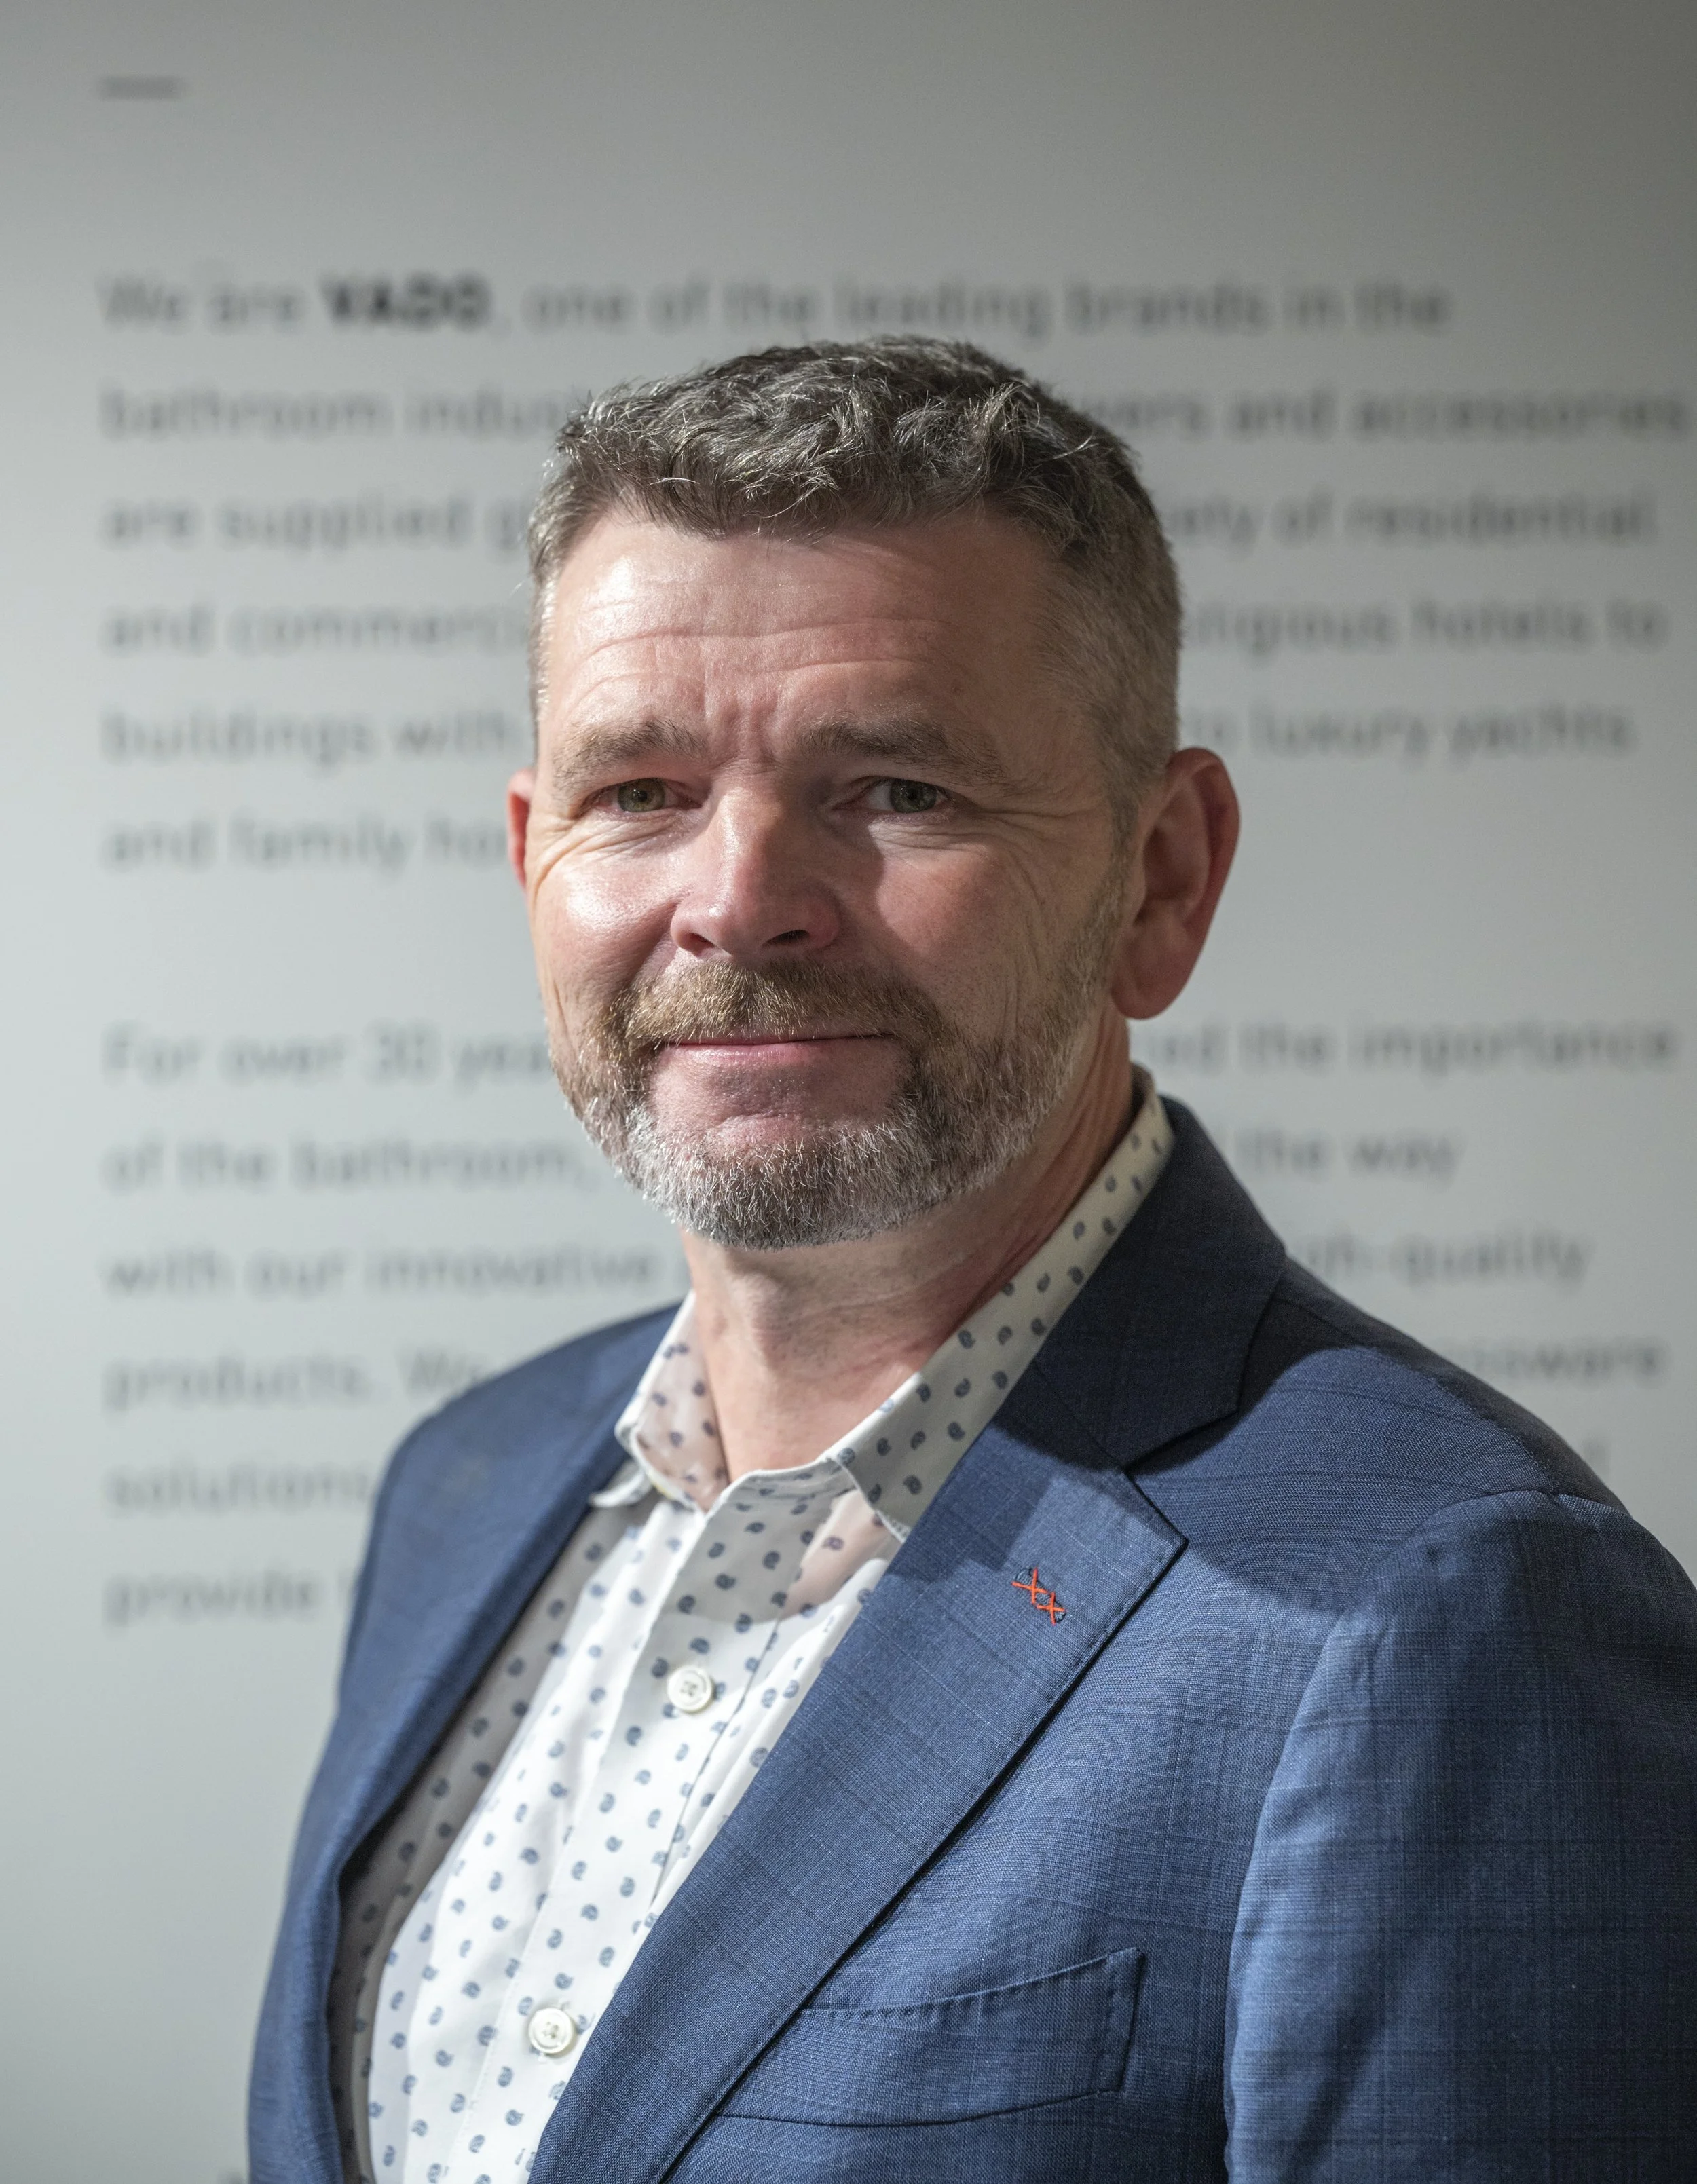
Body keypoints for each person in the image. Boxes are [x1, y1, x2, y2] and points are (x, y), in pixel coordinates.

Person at [252, 338, 1697, 2184]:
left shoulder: (1444, 1609)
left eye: (896, 788)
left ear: (1161, 878)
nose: (740, 899)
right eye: (642, 790)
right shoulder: (462, 1486)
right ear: (534, 855)